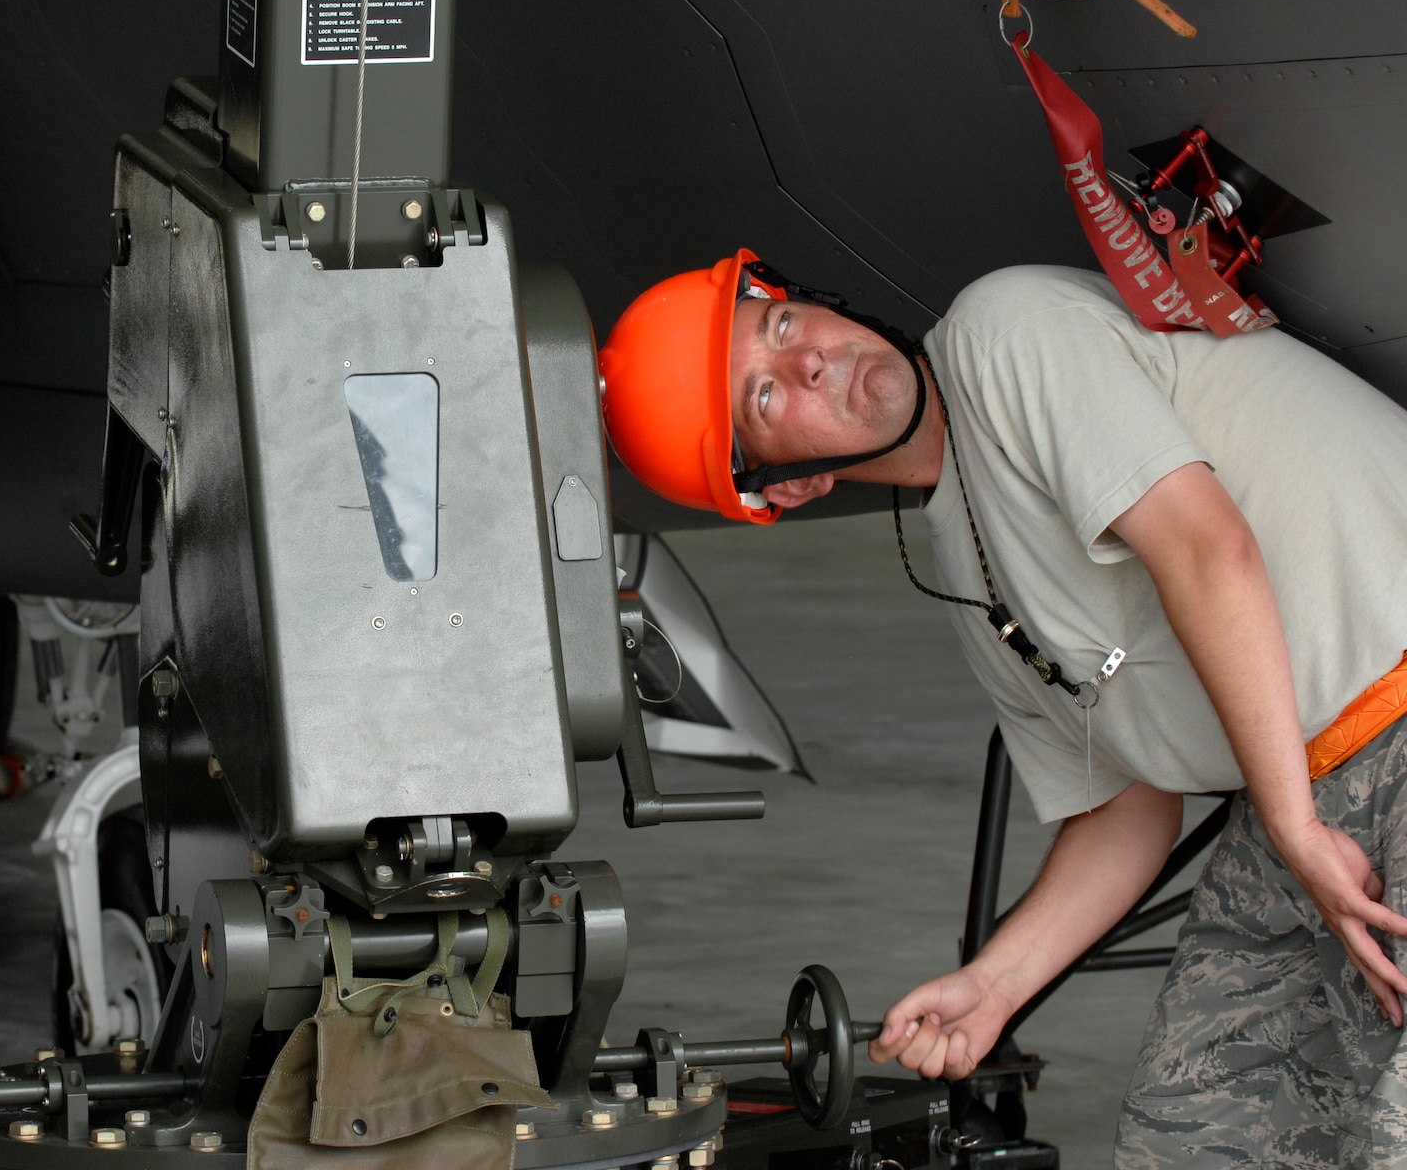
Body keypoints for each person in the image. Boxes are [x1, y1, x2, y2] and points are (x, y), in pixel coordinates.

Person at [597, 249, 1407, 1166]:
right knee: (1193, 1124)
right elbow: (1125, 803)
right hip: (1303, 801)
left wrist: (1296, 826)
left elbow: (1206, 549)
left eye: (781, 328)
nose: (808, 362)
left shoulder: (1001, 328)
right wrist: (995, 985)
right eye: (769, 400)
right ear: (788, 487)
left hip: (1368, 746)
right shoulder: (964, 567)